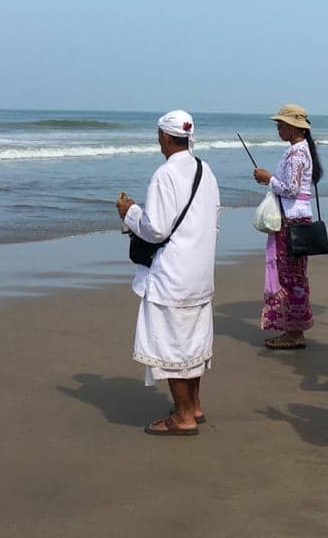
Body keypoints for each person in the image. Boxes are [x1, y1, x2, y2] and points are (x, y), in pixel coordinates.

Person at [117, 110, 221, 435]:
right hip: (200, 269)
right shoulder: (206, 170)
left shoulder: (164, 174)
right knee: (192, 340)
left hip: (173, 272)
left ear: (164, 136)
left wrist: (130, 213)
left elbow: (156, 228)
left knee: (173, 343)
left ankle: (183, 416)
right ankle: (194, 406)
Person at [252, 104, 322, 350]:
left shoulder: (296, 154)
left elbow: (291, 189)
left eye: (281, 125)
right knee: (295, 276)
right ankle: (294, 328)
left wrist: (268, 179)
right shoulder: (300, 150)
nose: (278, 129)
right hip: (297, 218)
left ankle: (294, 332)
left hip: (292, 221)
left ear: (294, 127)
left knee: (290, 277)